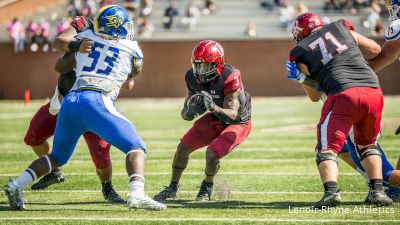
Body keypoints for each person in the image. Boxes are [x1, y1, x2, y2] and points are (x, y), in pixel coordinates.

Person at [4, 5, 166, 211]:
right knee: (136, 147)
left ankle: (16, 184)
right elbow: (129, 84)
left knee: (57, 157)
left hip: (71, 101)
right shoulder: (132, 48)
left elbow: (61, 49)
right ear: (119, 27)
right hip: (97, 101)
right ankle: (137, 194)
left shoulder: (85, 36)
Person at [287, 12, 393, 208]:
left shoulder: (299, 50)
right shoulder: (341, 26)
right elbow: (375, 49)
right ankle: (377, 192)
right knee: (368, 145)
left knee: (325, 149)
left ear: (300, 33)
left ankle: (331, 193)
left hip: (343, 94)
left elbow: (314, 97)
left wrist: (301, 78)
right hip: (373, 90)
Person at [23, 16, 125, 203]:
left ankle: (108, 188)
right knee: (33, 136)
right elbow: (59, 57)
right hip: (64, 100)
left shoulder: (120, 42)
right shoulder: (85, 27)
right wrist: (77, 49)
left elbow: (127, 82)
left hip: (93, 105)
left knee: (101, 154)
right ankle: (54, 172)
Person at [286, 62, 400, 201]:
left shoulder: (319, 53)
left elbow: (320, 94)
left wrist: (303, 78)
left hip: (348, 109)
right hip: (367, 101)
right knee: (342, 149)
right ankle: (375, 184)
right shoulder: (341, 47)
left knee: (384, 173)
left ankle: (379, 185)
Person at [154, 40, 252, 202]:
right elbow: (185, 115)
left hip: (238, 122)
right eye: (197, 65)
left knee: (212, 154)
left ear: (218, 64)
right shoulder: (191, 77)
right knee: (182, 148)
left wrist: (212, 107)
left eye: (206, 66)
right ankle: (172, 187)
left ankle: (207, 186)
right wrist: (191, 111)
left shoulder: (230, 76)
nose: (200, 71)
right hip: (215, 117)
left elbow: (233, 114)